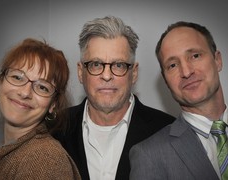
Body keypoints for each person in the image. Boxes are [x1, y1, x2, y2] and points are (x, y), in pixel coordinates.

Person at [53, 15, 175, 180]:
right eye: (96, 64)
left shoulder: (168, 131)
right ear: (81, 72)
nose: (107, 76)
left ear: (134, 73)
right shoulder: (53, 129)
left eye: (118, 65)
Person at [129, 21, 228, 180]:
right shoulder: (148, 155)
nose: (186, 72)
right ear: (166, 81)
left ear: (217, 60)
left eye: (195, 56)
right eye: (172, 65)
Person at [0, 38, 81, 180]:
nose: (25, 93)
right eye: (17, 77)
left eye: (42, 87)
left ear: (53, 104)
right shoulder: (10, 152)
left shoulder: (45, 161)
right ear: (0, 83)